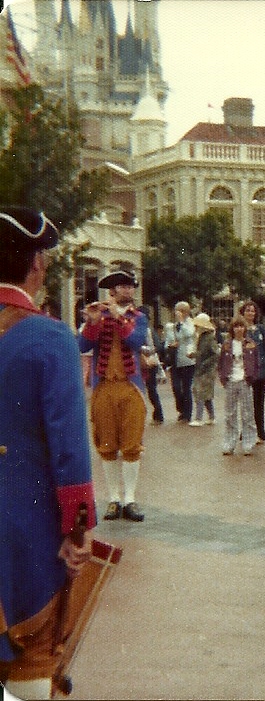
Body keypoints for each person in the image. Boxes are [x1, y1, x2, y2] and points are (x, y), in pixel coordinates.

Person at [0, 207, 96, 700]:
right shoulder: (51, 338)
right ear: (37, 262)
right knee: (34, 657)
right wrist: (77, 531)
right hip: (26, 531)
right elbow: (70, 452)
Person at [79, 268, 149, 522]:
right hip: (104, 387)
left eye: (130, 286)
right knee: (106, 444)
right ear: (112, 291)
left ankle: (129, 499)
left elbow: (136, 340)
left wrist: (119, 318)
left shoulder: (139, 317)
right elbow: (83, 345)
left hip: (130, 388)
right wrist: (93, 322)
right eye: (122, 286)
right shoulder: (100, 314)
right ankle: (113, 499)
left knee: (131, 444)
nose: (128, 290)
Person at [218, 316, 259, 456]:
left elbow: (256, 362)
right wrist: (223, 377)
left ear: (245, 328)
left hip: (244, 380)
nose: (239, 329)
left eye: (241, 326)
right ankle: (229, 442)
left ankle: (248, 443)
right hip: (230, 380)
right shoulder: (227, 344)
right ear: (232, 328)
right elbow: (221, 362)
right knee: (230, 414)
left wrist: (251, 377)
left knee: (247, 413)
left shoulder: (251, 344)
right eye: (236, 326)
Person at [240, 300, 265, 444]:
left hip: (261, 371)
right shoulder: (240, 329)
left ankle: (260, 432)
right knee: (246, 403)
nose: (250, 313)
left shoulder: (260, 329)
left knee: (258, 403)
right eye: (247, 310)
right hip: (245, 371)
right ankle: (246, 430)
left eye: (252, 311)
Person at [165, 301, 196, 422]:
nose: (178, 313)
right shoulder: (171, 326)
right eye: (177, 310)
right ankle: (181, 409)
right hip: (175, 360)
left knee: (186, 387)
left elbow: (189, 334)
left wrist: (182, 322)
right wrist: (170, 345)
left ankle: (187, 414)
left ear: (187, 312)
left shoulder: (191, 324)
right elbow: (167, 342)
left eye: (182, 310)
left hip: (187, 360)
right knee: (176, 387)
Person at [189, 313, 219, 426]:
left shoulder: (210, 337)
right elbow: (202, 353)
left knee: (200, 392)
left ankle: (198, 418)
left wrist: (205, 363)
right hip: (201, 368)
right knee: (205, 394)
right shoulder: (202, 337)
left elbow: (215, 354)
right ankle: (211, 417)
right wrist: (194, 355)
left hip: (207, 370)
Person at [138, 306, 165, 425]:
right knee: (149, 389)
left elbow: (157, 347)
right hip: (145, 362)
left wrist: (141, 349)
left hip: (149, 362)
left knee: (150, 389)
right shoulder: (146, 329)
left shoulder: (147, 330)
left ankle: (158, 415)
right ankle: (156, 414)